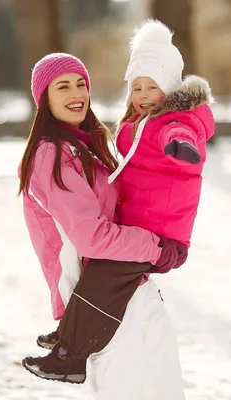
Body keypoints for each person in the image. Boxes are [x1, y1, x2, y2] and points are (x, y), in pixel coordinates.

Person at [23, 19, 215, 396]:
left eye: (81, 84)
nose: (76, 93)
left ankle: (69, 345)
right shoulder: (54, 155)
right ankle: (69, 349)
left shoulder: (90, 147)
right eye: (62, 87)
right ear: (43, 99)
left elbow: (179, 135)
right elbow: (92, 238)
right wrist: (156, 248)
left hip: (127, 292)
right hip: (107, 304)